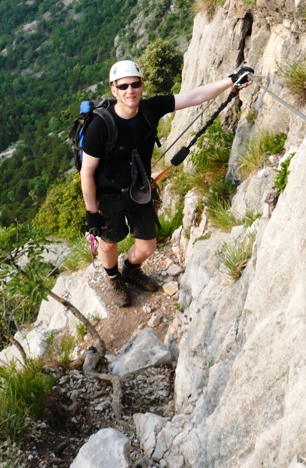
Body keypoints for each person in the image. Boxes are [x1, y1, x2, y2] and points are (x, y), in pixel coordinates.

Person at [80, 59, 253, 306]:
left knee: (147, 247)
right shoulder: (100, 126)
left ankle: (130, 269)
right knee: (109, 246)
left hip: (139, 189)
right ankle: (113, 279)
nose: (130, 90)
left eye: (135, 84)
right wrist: (92, 214)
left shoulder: (151, 108)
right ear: (113, 90)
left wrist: (231, 79)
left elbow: (193, 96)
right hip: (107, 196)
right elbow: (87, 172)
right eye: (123, 86)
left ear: (142, 85)